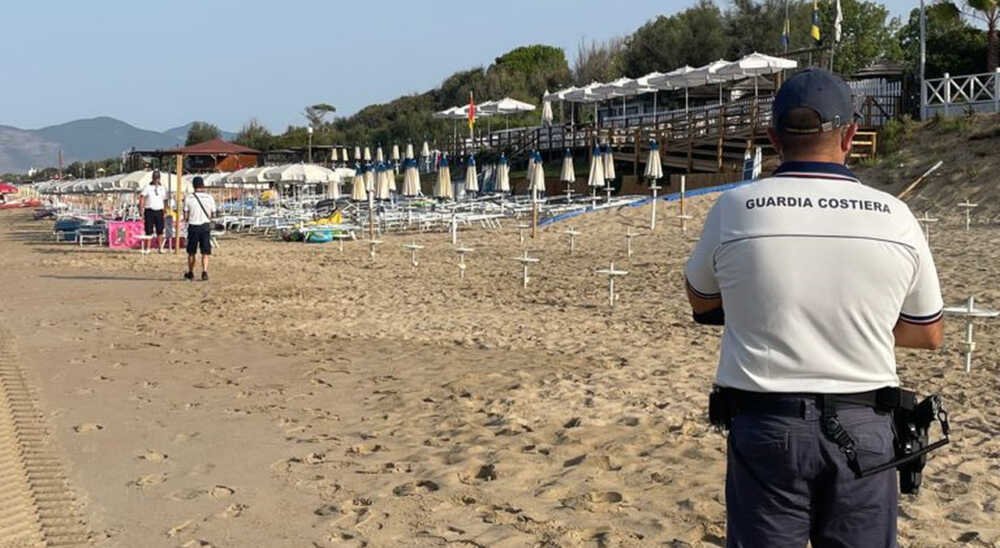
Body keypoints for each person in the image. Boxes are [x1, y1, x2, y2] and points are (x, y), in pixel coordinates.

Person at [684, 69, 943, 548]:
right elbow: (927, 332)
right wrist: (852, 325)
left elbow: (701, 300)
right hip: (865, 422)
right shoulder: (895, 216)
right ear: (849, 134)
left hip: (767, 420)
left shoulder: (735, 208)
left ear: (773, 138)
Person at [183, 176, 216, 281]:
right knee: (205, 252)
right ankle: (204, 271)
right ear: (202, 185)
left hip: (193, 225)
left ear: (193, 186)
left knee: (191, 252)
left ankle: (191, 272)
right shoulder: (209, 198)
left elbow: (185, 216)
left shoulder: (189, 198)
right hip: (205, 226)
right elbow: (213, 214)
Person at [138, 171, 167, 253]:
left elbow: (165, 200)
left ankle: (160, 248)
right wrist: (141, 209)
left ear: (159, 178)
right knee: (148, 230)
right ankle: (147, 248)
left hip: (159, 210)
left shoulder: (163, 188)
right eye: (155, 178)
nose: (156, 180)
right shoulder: (147, 187)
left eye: (157, 178)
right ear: (152, 178)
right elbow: (142, 197)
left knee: (160, 230)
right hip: (149, 210)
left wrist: (165, 210)